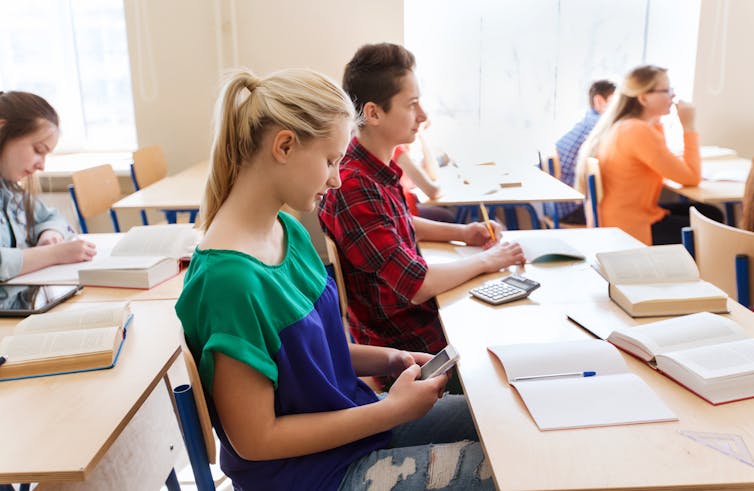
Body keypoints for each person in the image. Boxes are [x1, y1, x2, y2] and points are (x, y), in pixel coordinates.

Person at [174, 68, 495, 491]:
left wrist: (389, 357)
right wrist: (391, 411)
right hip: (310, 475)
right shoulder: (229, 283)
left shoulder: (286, 231)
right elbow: (255, 440)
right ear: (284, 146)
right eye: (330, 160)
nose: (337, 179)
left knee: (492, 419)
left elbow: (309, 353)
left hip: (349, 433)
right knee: (508, 469)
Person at [318, 43, 524, 384]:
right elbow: (417, 285)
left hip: (422, 330)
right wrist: (490, 260)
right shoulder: (354, 185)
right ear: (373, 113)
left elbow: (395, 223)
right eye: (412, 105)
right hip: (416, 352)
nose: (424, 115)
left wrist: (462, 233)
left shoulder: (372, 168)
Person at [575, 65, 723, 245]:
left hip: (621, 219)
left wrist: (657, 121)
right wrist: (689, 127)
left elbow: (664, 158)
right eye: (666, 90)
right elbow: (691, 177)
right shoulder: (637, 131)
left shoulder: (627, 126)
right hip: (630, 229)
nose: (673, 95)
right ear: (644, 98)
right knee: (712, 221)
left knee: (709, 213)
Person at [0, 91, 96, 280]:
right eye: (38, 150)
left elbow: (51, 216)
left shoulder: (10, 189)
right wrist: (55, 254)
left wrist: (49, 232)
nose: (42, 165)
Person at [553, 79, 615, 225]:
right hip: (574, 207)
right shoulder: (600, 128)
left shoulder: (587, 121)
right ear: (599, 101)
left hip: (559, 206)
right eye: (616, 102)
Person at [393, 120, 455, 223]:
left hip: (408, 210)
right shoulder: (398, 150)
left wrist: (423, 138)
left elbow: (433, 174)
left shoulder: (405, 149)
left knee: (445, 213)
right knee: (446, 216)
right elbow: (433, 192)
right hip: (407, 216)